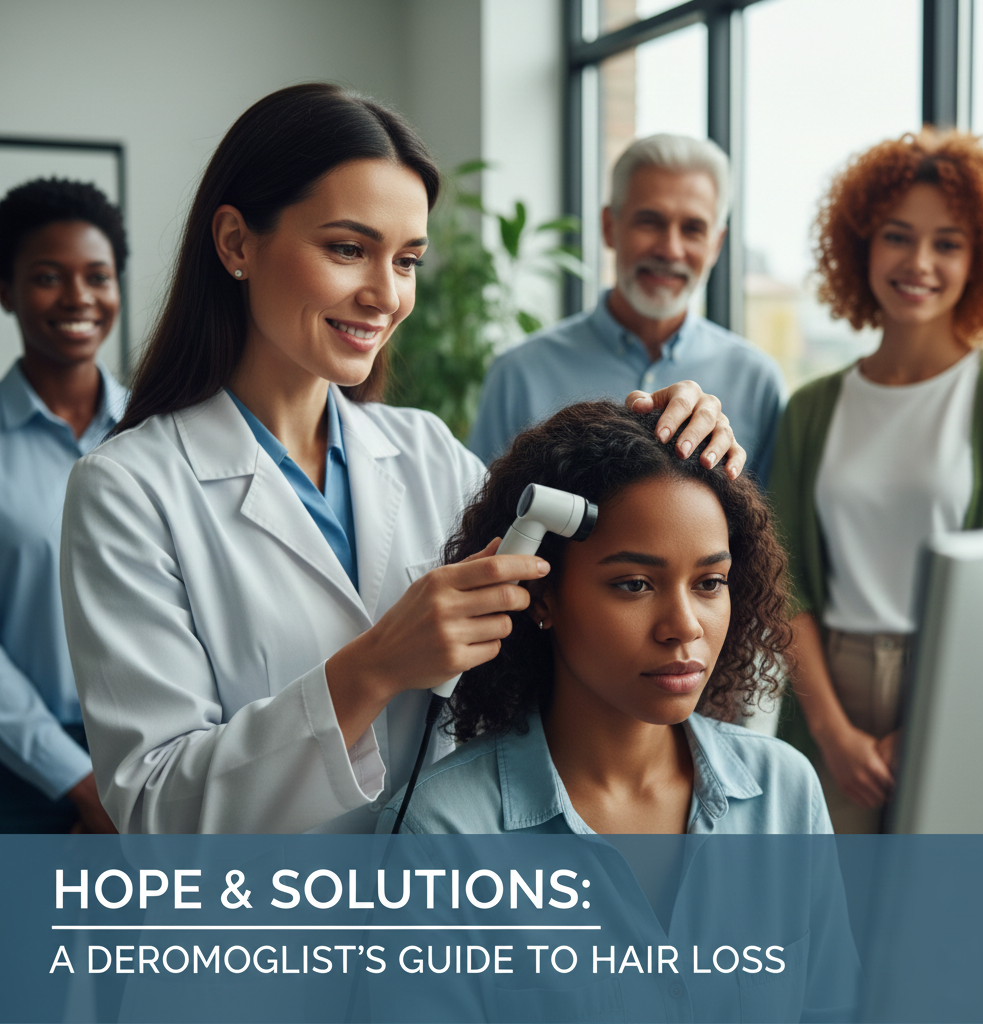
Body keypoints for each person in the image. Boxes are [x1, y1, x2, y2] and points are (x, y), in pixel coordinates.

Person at [59, 84, 744, 835]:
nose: (385, 294)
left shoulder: (426, 452)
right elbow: (157, 809)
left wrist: (667, 439)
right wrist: (376, 665)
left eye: (408, 259)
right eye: (348, 249)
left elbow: (584, 592)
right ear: (235, 243)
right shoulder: (127, 489)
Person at [377, 400, 829, 836]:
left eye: (709, 583)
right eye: (634, 584)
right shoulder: (441, 832)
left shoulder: (785, 793)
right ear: (540, 595)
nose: (686, 626)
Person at [769, 129, 983, 833]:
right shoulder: (812, 407)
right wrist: (833, 731)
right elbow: (782, 574)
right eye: (897, 236)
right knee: (831, 924)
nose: (919, 262)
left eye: (948, 242)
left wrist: (929, 729)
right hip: (830, 685)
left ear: (982, 260)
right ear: (861, 245)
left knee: (945, 918)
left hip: (964, 680)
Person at [468, 134, 786, 485]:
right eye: (650, 222)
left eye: (693, 229)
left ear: (716, 245)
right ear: (609, 226)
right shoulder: (518, 375)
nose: (670, 249)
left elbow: (763, 535)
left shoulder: (758, 383)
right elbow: (485, 525)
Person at [0, 178, 127, 833]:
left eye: (98, 276)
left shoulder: (163, 433)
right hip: (20, 775)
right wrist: (80, 782)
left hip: (156, 752)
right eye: (49, 276)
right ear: (6, 290)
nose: (79, 297)